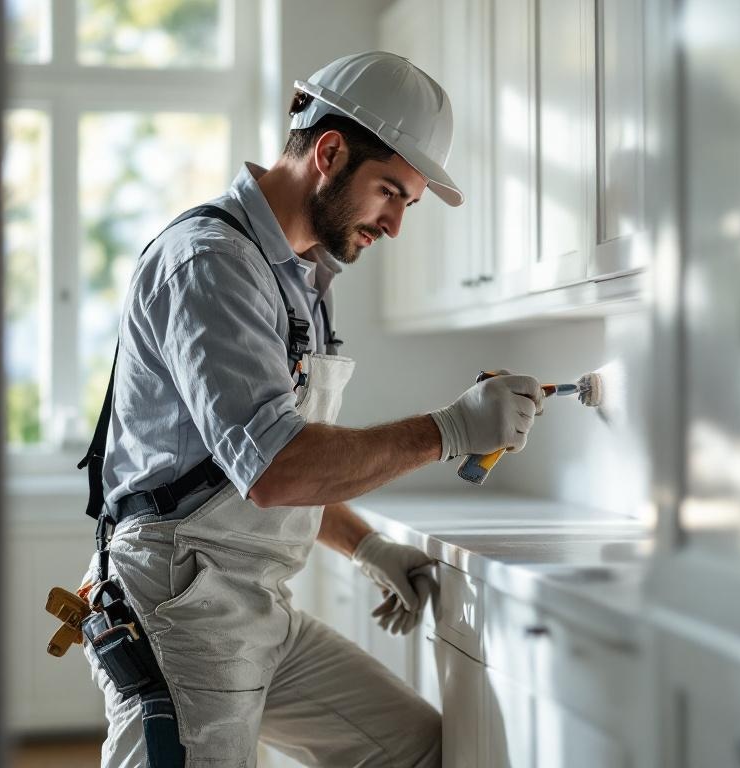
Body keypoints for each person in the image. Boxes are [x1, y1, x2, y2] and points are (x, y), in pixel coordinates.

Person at [78, 51, 543, 767]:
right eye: (389, 192)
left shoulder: (301, 276)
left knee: (415, 751)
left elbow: (248, 464)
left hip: (254, 605)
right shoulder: (212, 264)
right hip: (180, 605)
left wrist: (368, 546)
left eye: (408, 204)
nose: (395, 225)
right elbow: (276, 469)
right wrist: (448, 430)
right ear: (329, 153)